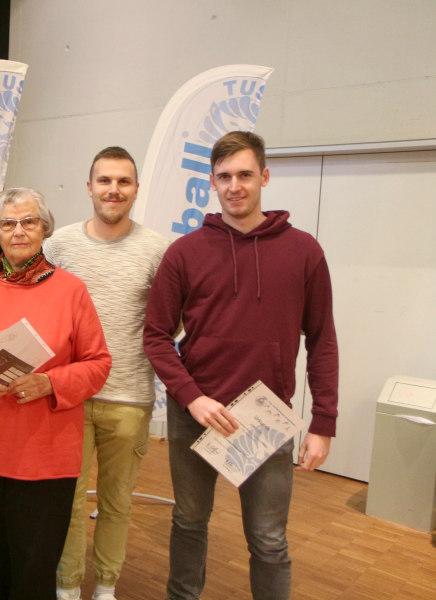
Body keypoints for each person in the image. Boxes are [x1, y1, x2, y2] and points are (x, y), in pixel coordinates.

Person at [143, 131, 339, 600]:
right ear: (211, 181)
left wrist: (323, 422)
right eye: (225, 176)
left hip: (266, 416)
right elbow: (155, 336)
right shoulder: (184, 252)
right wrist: (192, 398)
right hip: (197, 415)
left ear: (264, 177)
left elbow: (322, 339)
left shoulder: (304, 251)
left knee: (268, 540)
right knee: (189, 522)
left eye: (245, 175)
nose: (235, 186)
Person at [0, 187, 112, 600]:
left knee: (34, 569)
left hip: (44, 458)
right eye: (8, 223)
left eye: (28, 222)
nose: (18, 231)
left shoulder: (71, 291)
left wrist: (50, 383)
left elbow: (98, 363)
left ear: (44, 228)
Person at [45, 147, 168, 600]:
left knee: (117, 504)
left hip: (130, 396)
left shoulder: (158, 249)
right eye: (104, 181)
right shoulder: (58, 245)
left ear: (135, 188)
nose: (113, 190)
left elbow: (168, 322)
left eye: (123, 181)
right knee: (70, 504)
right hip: (70, 396)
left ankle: (106, 589)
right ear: (89, 186)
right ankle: (67, 587)